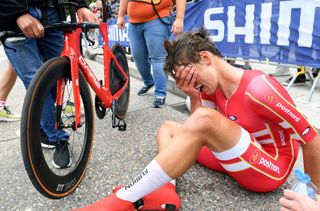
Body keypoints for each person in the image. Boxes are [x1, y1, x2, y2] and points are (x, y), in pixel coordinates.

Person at [76, 28, 320, 210]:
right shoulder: (211, 87)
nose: (193, 85)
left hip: (269, 169)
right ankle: (166, 190)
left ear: (205, 58)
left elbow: (311, 139)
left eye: (193, 79)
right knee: (168, 128)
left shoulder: (258, 89)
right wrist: (194, 94)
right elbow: (198, 127)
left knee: (202, 119)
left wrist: (313, 194)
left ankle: (124, 199)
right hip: (237, 157)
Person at [0, 0, 98, 168]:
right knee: (35, 81)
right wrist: (15, 12)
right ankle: (57, 137)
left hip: (52, 10)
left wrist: (80, 4)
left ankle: (43, 125)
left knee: (59, 74)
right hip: (15, 14)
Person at [116, 0, 186, 108]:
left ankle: (160, 94)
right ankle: (148, 81)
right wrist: (120, 15)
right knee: (137, 56)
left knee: (158, 57)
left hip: (158, 17)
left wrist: (180, 18)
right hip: (134, 21)